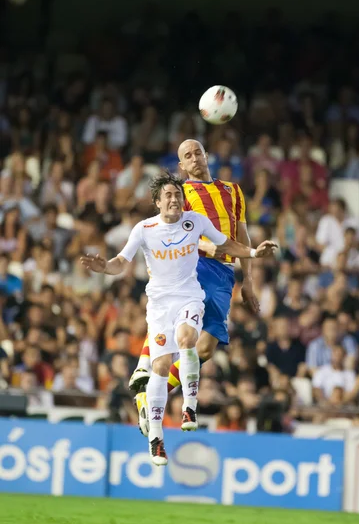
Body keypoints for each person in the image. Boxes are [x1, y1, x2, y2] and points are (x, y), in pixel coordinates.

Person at [81, 172, 276, 465]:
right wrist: (104, 267)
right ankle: (156, 438)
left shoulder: (194, 221)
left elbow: (224, 244)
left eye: (177, 194)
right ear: (157, 202)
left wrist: (252, 252)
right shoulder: (144, 229)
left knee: (188, 339)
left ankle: (189, 407)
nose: (174, 199)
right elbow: (121, 262)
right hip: (159, 306)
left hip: (189, 296)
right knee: (160, 367)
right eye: (168, 196)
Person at [130, 139, 261, 436]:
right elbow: (174, 230)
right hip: (194, 264)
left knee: (206, 347)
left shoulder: (232, 190)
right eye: (187, 156)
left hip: (225, 272)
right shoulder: (181, 193)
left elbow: (241, 234)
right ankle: (144, 370)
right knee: (174, 316)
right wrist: (206, 247)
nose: (194, 158)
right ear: (181, 165)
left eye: (198, 153)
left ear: (206, 156)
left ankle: (144, 396)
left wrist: (248, 281)